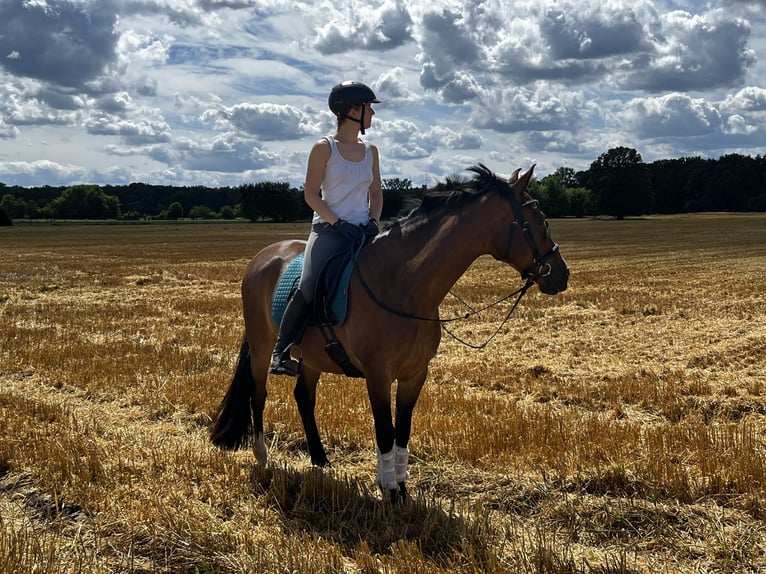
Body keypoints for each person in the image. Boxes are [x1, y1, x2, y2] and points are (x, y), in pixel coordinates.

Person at [270, 81, 383, 376]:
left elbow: (377, 193)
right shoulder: (324, 148)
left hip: (363, 232)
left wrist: (373, 221)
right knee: (309, 284)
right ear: (351, 111)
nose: (372, 113)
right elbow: (310, 195)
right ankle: (280, 350)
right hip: (330, 232)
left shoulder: (371, 150)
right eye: (368, 107)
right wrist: (338, 223)